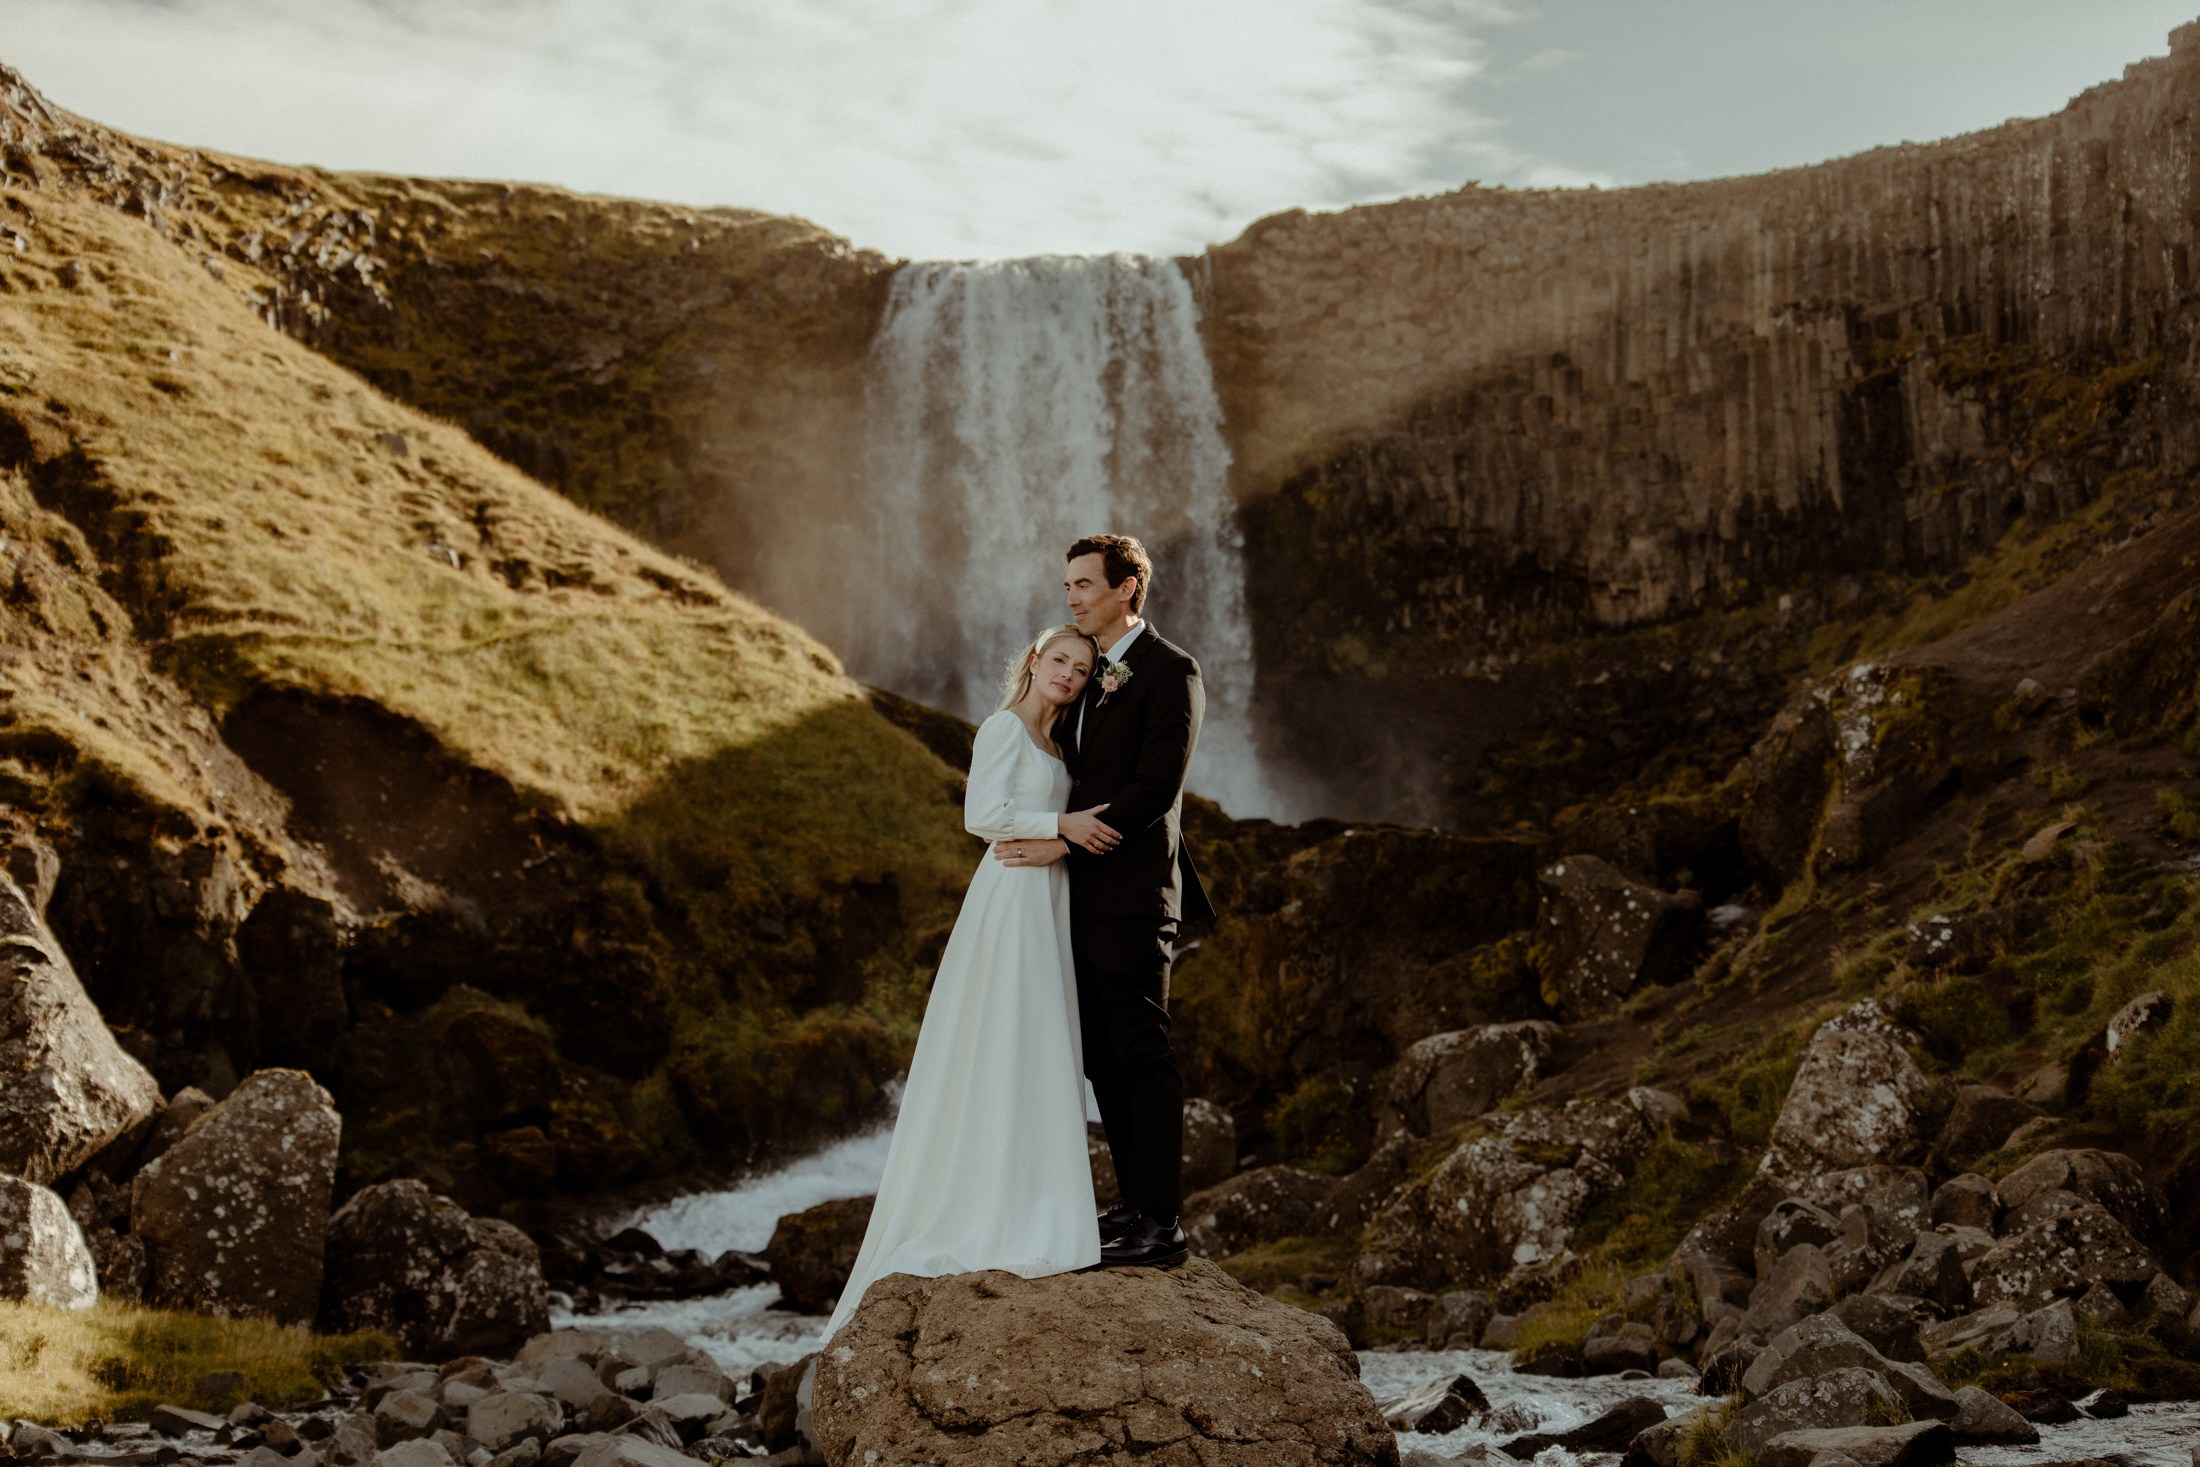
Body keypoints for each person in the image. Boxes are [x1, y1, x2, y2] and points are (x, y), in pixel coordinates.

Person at [822, 624, 1117, 1339]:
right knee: (1008, 1033)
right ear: (1034, 661)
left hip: (1046, 893)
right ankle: (990, 1209)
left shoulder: (1058, 745)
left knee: (1040, 1042)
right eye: (1059, 660)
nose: (1068, 674)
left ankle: (1035, 1203)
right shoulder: (1004, 727)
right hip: (1011, 896)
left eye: (1081, 668)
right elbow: (981, 816)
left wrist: (1060, 839)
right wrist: (1064, 825)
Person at [990, 534, 1215, 1270]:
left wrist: (1061, 843)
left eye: (1084, 584)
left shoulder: (1172, 670)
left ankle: (1162, 1223)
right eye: (1067, 585)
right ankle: (1133, 1205)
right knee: (1099, 1056)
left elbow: (1157, 787)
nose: (1072, 597)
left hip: (1134, 892)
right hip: (1076, 901)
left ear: (1127, 588)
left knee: (1141, 1049)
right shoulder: (1086, 672)